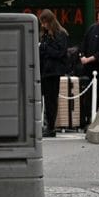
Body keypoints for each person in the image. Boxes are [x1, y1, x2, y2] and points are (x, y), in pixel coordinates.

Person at [38, 9, 69, 138]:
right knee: (45, 100)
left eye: (45, 23)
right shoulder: (46, 34)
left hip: (53, 72)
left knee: (51, 101)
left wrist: (44, 48)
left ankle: (50, 127)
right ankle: (47, 124)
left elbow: (60, 53)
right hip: (45, 71)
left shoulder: (60, 34)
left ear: (50, 21)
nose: (43, 25)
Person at [79, 10, 99, 111]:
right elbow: (83, 44)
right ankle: (87, 115)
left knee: (98, 94)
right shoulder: (92, 28)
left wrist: (89, 59)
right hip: (87, 68)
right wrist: (82, 56)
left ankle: (95, 113)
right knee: (87, 94)